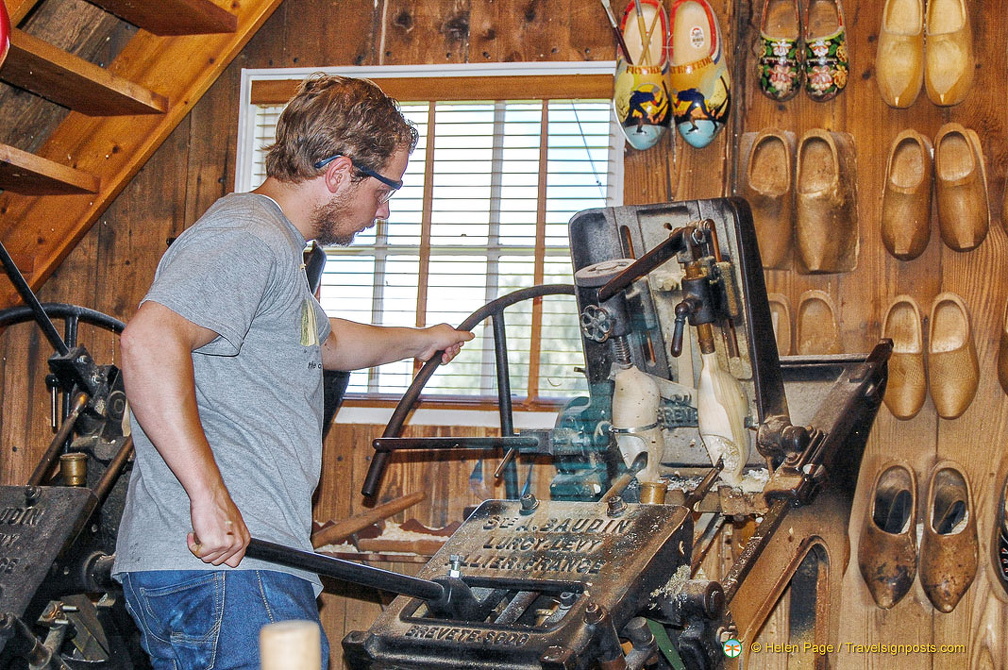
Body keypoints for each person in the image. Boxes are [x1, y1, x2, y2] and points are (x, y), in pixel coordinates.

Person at [112, 74, 473, 669]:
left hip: (248, 572)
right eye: (384, 191)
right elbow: (150, 339)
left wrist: (422, 340)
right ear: (338, 173)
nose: (382, 212)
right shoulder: (247, 235)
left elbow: (324, 341)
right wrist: (209, 496)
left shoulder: (276, 249)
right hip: (226, 574)